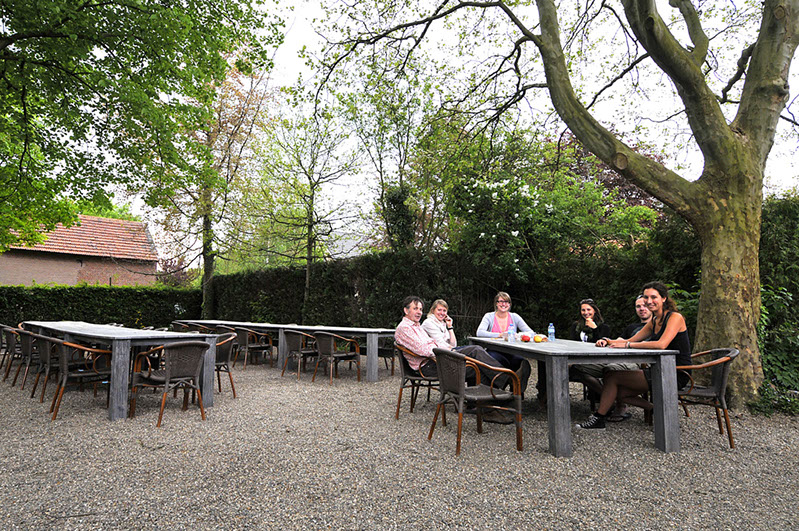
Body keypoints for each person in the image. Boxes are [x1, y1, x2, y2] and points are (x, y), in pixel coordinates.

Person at [577, 281, 692, 430]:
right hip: (658, 369)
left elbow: (661, 344)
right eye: (646, 297)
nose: (649, 301)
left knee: (612, 376)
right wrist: (608, 341)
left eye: (653, 297)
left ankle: (599, 418)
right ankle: (655, 409)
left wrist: (628, 345)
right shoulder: (655, 320)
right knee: (617, 390)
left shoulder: (675, 317)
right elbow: (631, 340)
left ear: (663, 298)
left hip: (676, 372)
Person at [395, 295, 514, 423]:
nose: (419, 312)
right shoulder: (405, 328)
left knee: (476, 354)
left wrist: (448, 348)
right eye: (415, 308)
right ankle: (499, 392)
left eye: (420, 309)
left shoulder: (416, 326)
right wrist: (450, 352)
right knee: (476, 359)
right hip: (429, 366)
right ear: (406, 310)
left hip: (437, 359)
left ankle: (482, 402)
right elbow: (424, 349)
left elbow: (434, 344)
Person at [475, 291, 535, 396]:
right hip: (494, 350)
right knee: (493, 360)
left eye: (507, 302)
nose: (504, 304)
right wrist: (500, 335)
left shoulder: (514, 317)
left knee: (523, 363)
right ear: (496, 303)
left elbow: (531, 333)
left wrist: (518, 335)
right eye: (501, 301)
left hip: (512, 351)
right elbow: (479, 332)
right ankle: (507, 382)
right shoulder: (489, 316)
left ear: (510, 304)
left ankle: (517, 391)